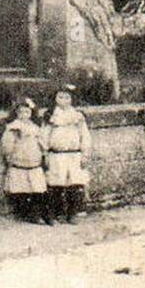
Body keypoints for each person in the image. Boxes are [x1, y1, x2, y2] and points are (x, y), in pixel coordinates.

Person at [43, 84, 91, 224]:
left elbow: (85, 136)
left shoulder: (77, 116)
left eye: (67, 97)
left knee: (74, 184)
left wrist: (84, 154)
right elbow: (44, 135)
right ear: (55, 99)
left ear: (72, 99)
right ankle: (58, 213)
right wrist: (45, 153)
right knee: (56, 184)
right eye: (60, 97)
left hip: (74, 154)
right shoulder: (51, 116)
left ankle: (72, 213)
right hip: (57, 155)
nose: (63, 100)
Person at [0, 98, 52, 224]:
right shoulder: (14, 127)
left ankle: (42, 214)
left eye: (27, 112)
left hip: (34, 160)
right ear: (17, 114)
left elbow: (42, 142)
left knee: (38, 188)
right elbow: (7, 144)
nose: (24, 115)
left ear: (31, 113)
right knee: (23, 189)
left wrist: (44, 152)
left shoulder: (35, 128)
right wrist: (9, 155)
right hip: (20, 159)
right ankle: (28, 214)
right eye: (21, 112)